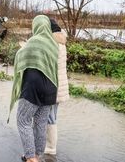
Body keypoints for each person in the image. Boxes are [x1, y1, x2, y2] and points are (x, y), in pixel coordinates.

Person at [8, 15, 59, 162]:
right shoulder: (53, 44)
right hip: (51, 88)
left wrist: (23, 47)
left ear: (36, 26)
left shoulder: (34, 41)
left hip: (33, 87)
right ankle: (38, 155)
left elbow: (20, 56)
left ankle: (30, 157)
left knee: (23, 120)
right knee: (40, 124)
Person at [44, 19, 70, 155]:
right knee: (52, 116)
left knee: (50, 117)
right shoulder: (61, 43)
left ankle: (50, 148)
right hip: (60, 86)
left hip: (53, 86)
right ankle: (49, 145)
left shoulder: (53, 44)